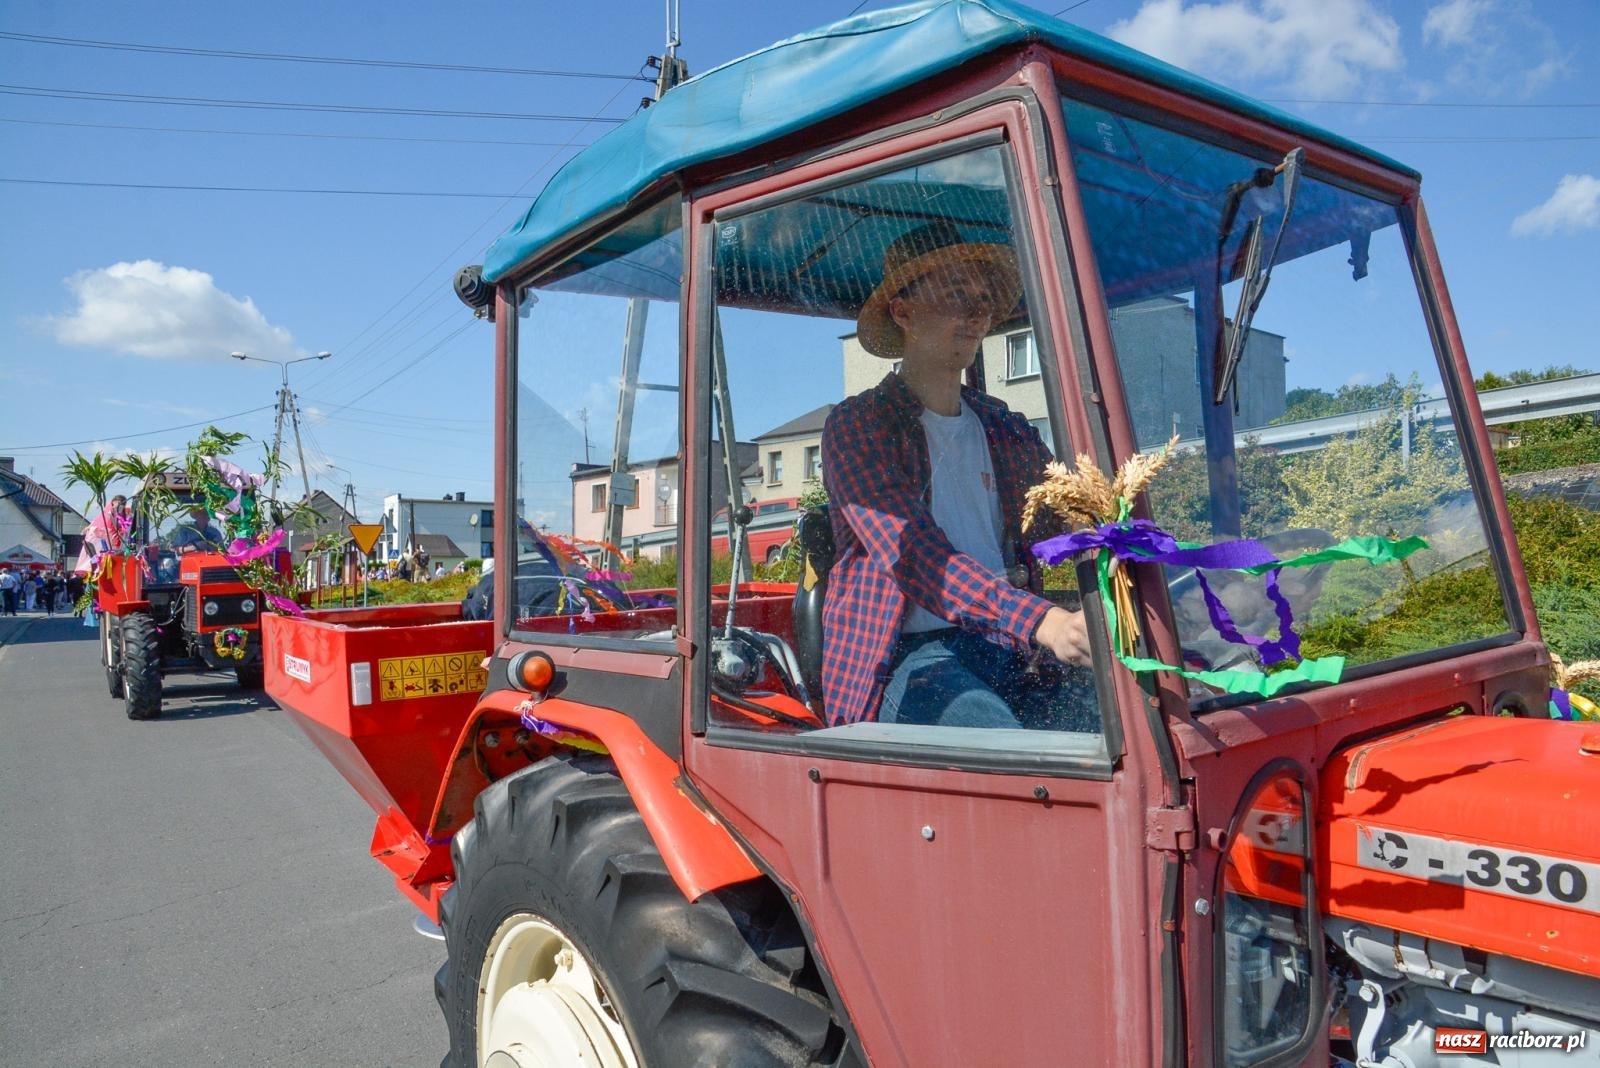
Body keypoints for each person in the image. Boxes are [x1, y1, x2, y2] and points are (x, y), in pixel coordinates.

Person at [819, 222, 1091, 729]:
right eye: (954, 294)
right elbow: (916, 555)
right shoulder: (859, 425)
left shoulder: (1004, 425)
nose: (976, 313)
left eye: (983, 299)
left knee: (1126, 723)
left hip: (1010, 647)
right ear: (903, 312)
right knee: (1011, 752)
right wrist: (1042, 620)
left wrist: (1151, 561)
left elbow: (1068, 522)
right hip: (908, 656)